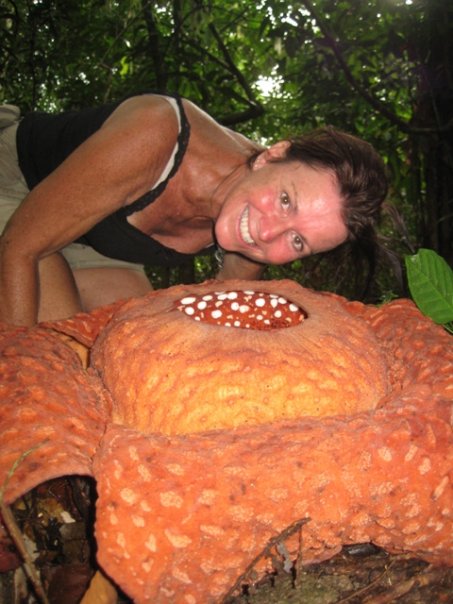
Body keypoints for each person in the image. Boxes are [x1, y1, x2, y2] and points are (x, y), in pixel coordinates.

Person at [0, 92, 388, 327]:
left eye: (298, 240)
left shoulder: (252, 237)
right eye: (286, 200)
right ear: (273, 156)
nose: (269, 233)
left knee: (124, 344)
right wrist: (23, 366)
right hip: (19, 184)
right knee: (59, 356)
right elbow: (20, 247)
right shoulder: (156, 134)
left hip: (96, 237)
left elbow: (222, 318)